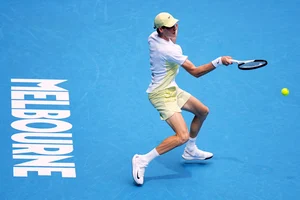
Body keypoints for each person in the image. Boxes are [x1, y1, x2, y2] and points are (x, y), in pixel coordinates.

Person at [132, 12, 233, 185]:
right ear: (161, 29)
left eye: (176, 25)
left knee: (202, 111)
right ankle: (142, 160)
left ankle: (190, 151)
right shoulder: (169, 50)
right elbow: (195, 72)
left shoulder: (153, 37)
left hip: (171, 89)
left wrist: (171, 33)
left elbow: (172, 45)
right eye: (170, 27)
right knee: (181, 136)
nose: (175, 29)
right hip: (161, 95)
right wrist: (218, 61)